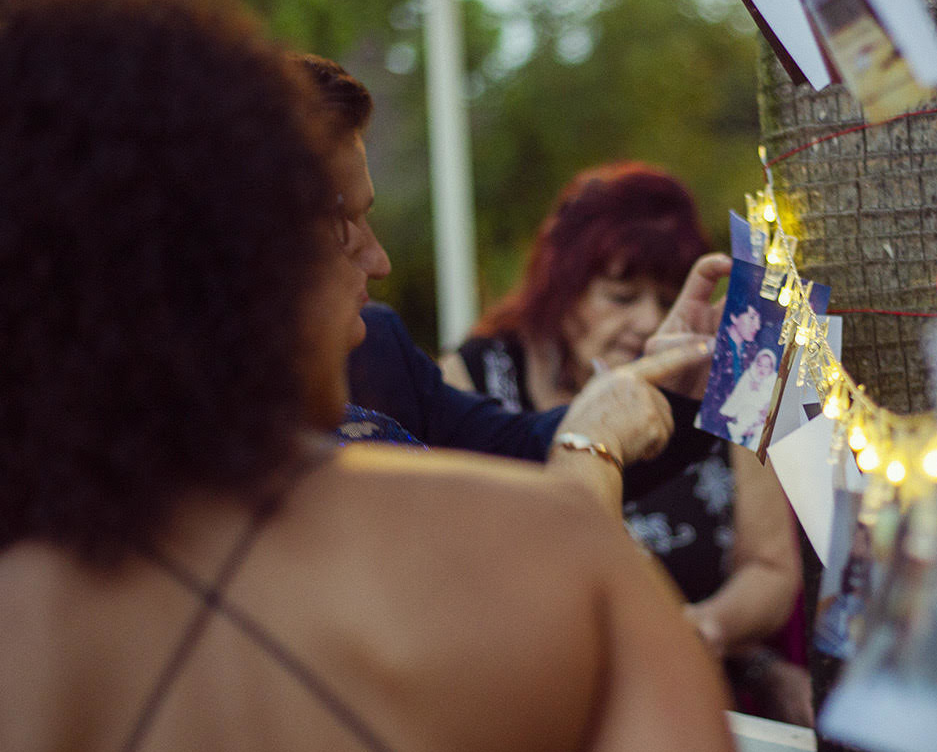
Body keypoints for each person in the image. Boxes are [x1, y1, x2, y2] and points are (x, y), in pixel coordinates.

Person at [0, 0, 747, 752]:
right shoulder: (560, 554)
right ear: (227, 251)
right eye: (338, 222)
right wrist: (590, 459)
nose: (380, 259)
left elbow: (512, 447)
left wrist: (662, 386)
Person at [444, 163, 810, 724]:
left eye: (666, 299)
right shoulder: (473, 379)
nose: (649, 320)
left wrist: (699, 630)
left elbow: (771, 570)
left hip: (689, 697)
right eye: (621, 296)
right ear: (560, 289)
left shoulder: (728, 374)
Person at [297, 55, 728, 505]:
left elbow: (517, 455)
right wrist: (588, 444)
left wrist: (664, 395)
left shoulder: (381, 349)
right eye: (344, 228)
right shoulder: (220, 457)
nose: (379, 260)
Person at [719, 349, 779, 448]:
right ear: (755, 364)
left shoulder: (772, 380)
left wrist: (767, 405)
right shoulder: (749, 375)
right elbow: (739, 393)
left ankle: (750, 439)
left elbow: (772, 399)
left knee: (759, 433)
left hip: (761, 415)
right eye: (759, 365)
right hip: (746, 411)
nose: (762, 369)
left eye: (766, 366)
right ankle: (738, 435)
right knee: (741, 421)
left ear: (772, 369)